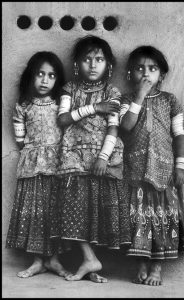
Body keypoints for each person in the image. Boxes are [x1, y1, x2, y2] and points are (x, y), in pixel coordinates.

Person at [50, 35, 131, 283]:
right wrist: (95, 108)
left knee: (95, 214)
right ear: (77, 64)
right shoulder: (69, 89)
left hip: (100, 160)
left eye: (98, 59)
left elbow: (114, 128)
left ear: (108, 65)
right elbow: (63, 120)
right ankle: (88, 258)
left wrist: (104, 157)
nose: (93, 65)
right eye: (87, 60)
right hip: (73, 158)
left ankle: (91, 264)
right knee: (72, 209)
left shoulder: (112, 92)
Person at [119, 45, 184, 286]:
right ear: (131, 73)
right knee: (138, 218)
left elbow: (179, 135)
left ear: (161, 75)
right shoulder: (126, 99)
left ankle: (157, 268)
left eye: (152, 68)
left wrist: (180, 167)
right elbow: (126, 127)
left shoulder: (170, 100)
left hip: (164, 172)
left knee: (164, 218)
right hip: (135, 170)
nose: (146, 73)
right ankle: (140, 264)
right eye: (140, 68)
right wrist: (139, 96)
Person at [6, 51, 71, 278]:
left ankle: (53, 260)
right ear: (30, 76)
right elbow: (21, 137)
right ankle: (37, 261)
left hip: (56, 167)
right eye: (40, 74)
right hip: (32, 167)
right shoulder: (23, 106)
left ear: (57, 79)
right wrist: (33, 150)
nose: (45, 80)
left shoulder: (60, 107)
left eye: (51, 75)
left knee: (53, 213)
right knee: (35, 213)